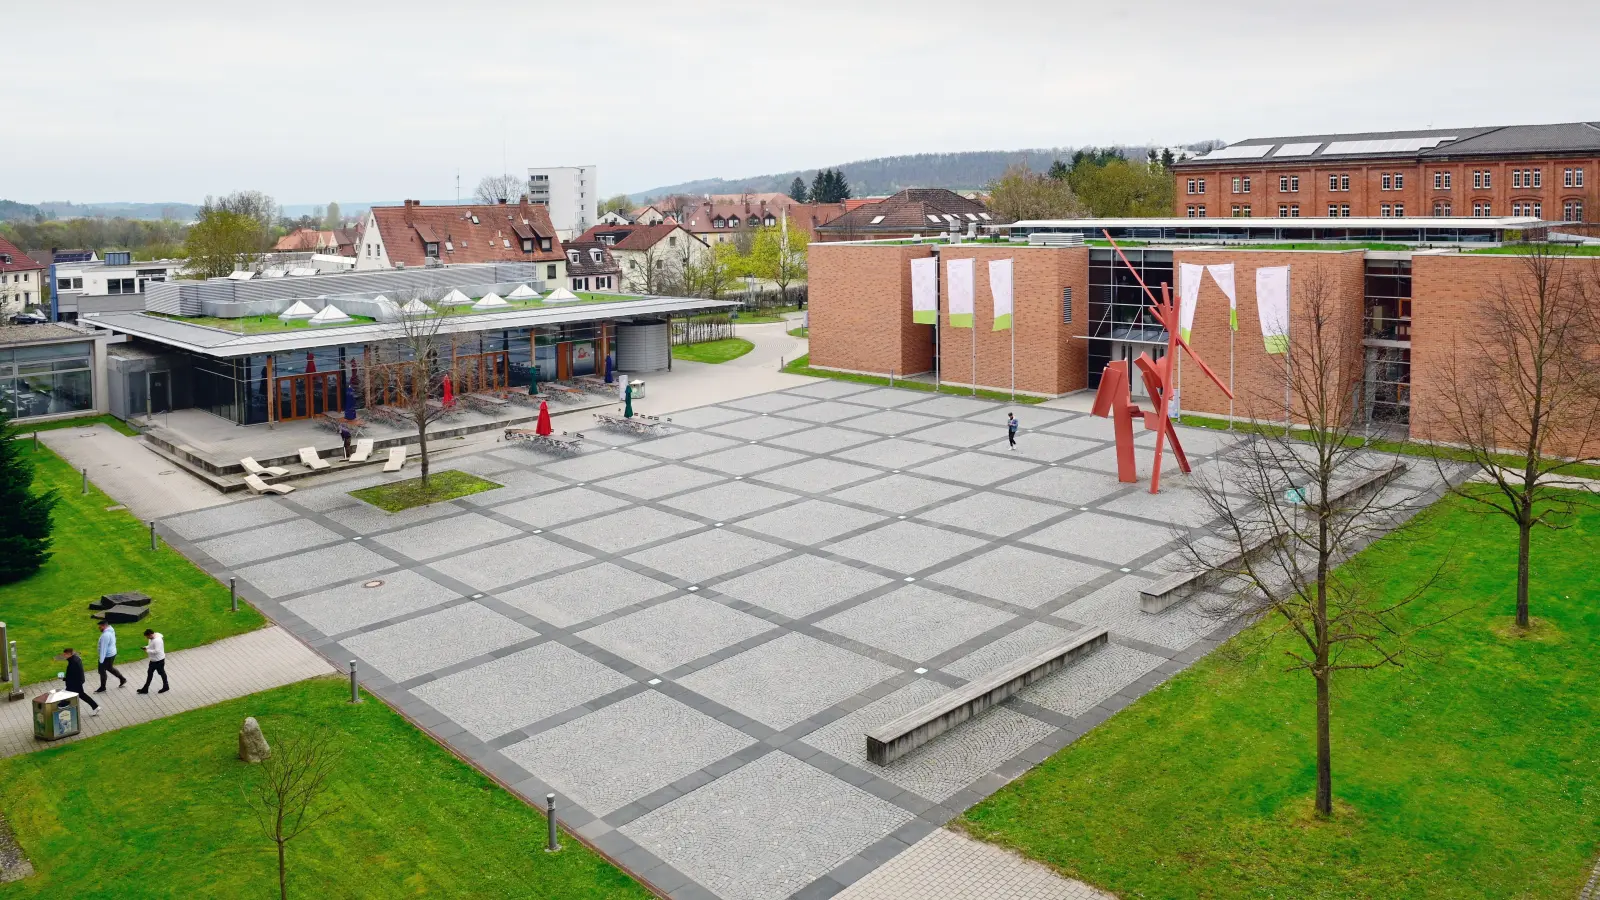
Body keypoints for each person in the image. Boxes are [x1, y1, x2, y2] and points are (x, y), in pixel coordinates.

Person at [57, 648, 99, 716]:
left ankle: (62, 708)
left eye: (65, 654)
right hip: (78, 681)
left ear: (69, 654)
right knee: (81, 695)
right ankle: (95, 707)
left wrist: (64, 678)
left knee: (68, 694)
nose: (64, 655)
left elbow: (71, 675)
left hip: (74, 683)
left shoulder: (72, 663)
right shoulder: (76, 659)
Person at [95, 621, 126, 692]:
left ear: (104, 626)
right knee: (109, 667)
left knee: (102, 671)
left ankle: (103, 687)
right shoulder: (111, 630)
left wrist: (101, 660)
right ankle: (122, 679)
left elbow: (103, 648)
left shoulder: (105, 635)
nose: (99, 628)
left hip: (107, 656)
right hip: (112, 653)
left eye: (100, 626)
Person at [137, 629, 168, 694]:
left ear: (150, 635)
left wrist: (147, 651)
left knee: (161, 673)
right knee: (150, 673)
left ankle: (166, 686)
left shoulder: (157, 641)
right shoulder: (151, 639)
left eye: (147, 637)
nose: (147, 638)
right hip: (153, 660)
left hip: (159, 660)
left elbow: (157, 651)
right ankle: (145, 689)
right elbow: (151, 646)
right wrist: (146, 647)